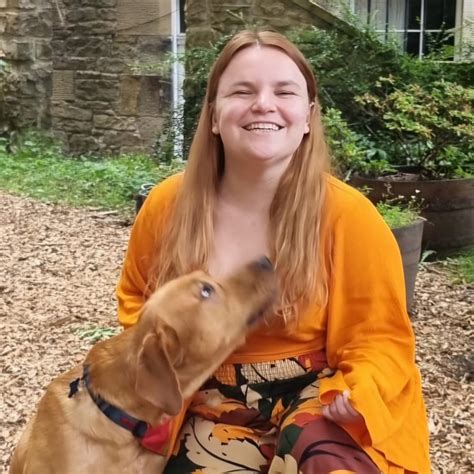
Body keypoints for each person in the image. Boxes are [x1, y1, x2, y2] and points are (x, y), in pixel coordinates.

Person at [117, 30, 431, 473]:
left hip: (319, 392)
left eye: (284, 92)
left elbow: (378, 337)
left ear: (308, 117)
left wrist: (360, 391)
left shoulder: (349, 216)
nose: (263, 104)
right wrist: (169, 366)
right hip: (204, 399)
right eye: (242, 91)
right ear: (213, 116)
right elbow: (137, 304)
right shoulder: (167, 206)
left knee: (325, 457)